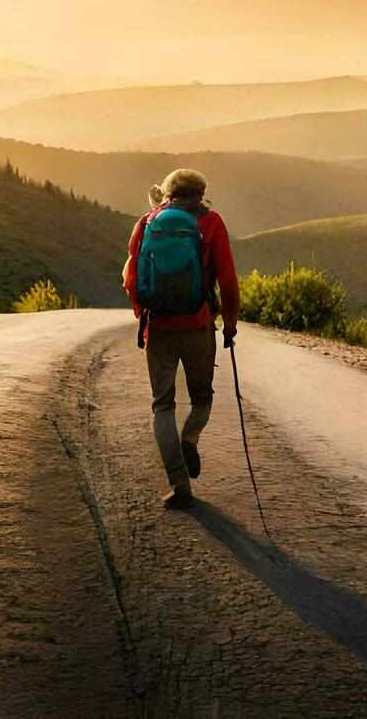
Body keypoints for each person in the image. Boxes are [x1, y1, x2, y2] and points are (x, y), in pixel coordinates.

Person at [123, 168, 239, 509]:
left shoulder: (148, 221)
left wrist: (143, 317)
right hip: (199, 325)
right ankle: (190, 437)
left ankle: (178, 483)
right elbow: (228, 278)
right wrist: (229, 323)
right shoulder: (212, 221)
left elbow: (132, 278)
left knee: (162, 406)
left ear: (167, 193)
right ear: (200, 194)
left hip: (159, 327)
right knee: (202, 397)